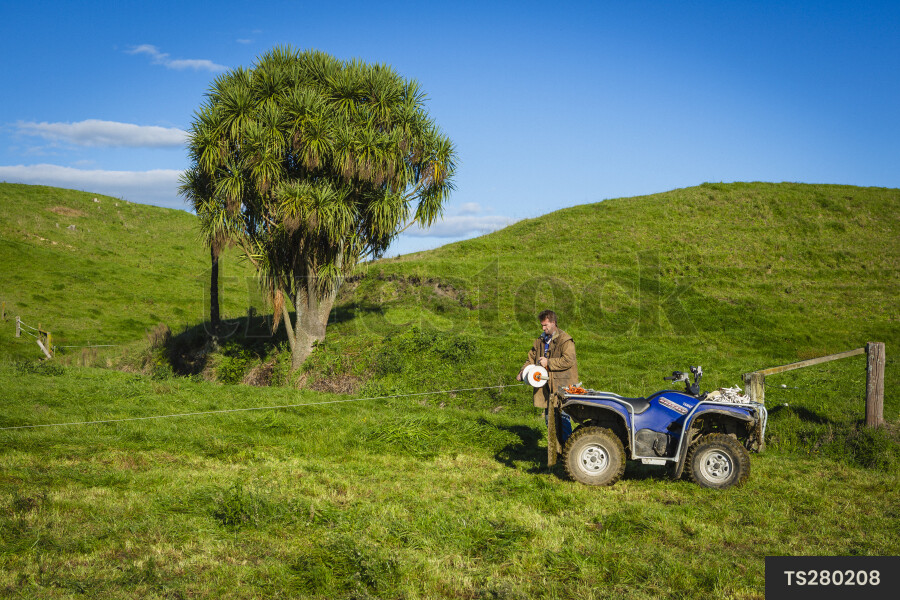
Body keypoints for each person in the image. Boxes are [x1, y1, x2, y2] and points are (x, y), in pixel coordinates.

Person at [517, 310, 578, 445]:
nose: (543, 328)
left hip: (562, 388)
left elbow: (569, 360)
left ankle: (568, 450)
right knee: (548, 419)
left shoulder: (565, 340)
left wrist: (548, 362)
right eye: (542, 326)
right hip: (546, 388)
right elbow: (531, 358)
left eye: (546, 325)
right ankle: (555, 450)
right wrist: (522, 372)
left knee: (563, 419)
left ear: (554, 323)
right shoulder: (540, 341)